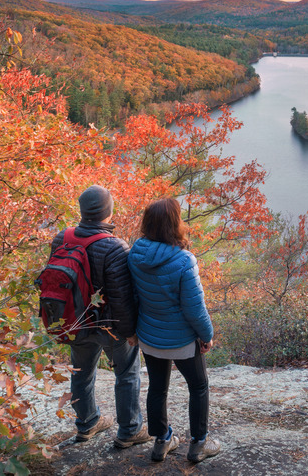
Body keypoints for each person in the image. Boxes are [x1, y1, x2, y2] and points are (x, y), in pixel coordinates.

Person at [53, 185, 149, 449]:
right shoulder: (114, 246)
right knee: (127, 374)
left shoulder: (62, 238)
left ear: (82, 211)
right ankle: (129, 430)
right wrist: (130, 332)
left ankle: (87, 424)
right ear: (109, 212)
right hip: (109, 327)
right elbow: (121, 297)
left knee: (81, 373)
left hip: (74, 321)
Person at [126, 197, 221, 463]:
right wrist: (207, 335)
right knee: (199, 386)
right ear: (175, 224)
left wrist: (133, 331)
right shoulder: (184, 260)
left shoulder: (135, 254)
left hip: (150, 336)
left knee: (157, 387)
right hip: (181, 340)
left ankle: (161, 441)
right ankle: (199, 444)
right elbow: (194, 308)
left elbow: (133, 296)